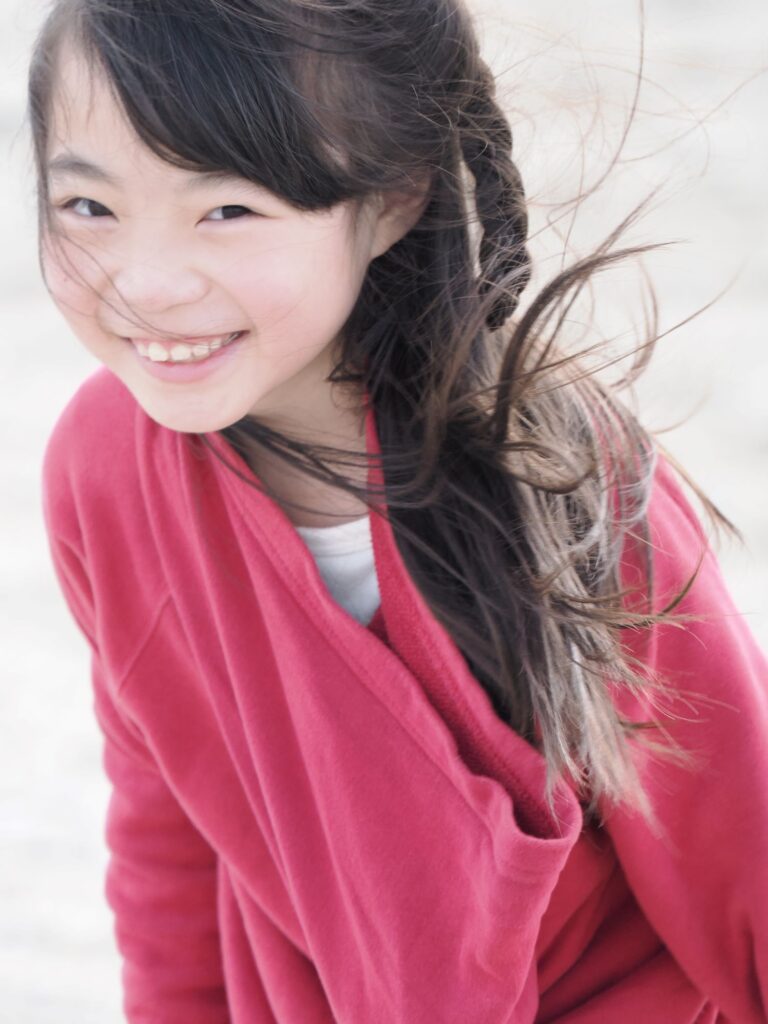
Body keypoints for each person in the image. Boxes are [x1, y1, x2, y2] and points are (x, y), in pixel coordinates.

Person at [28, 0, 767, 1021]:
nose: (145, 286)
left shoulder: (550, 465)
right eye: (88, 207)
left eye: (229, 209)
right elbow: (172, 821)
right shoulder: (105, 468)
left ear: (391, 198)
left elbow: (737, 838)